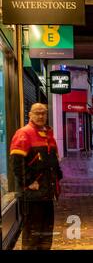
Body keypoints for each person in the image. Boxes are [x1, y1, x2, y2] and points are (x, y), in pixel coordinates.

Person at [10, 103, 63, 250]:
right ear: (30, 115)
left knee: (45, 233)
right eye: (37, 113)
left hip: (47, 193)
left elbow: (53, 161)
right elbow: (16, 163)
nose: (40, 116)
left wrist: (58, 178)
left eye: (43, 113)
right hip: (31, 195)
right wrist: (29, 182)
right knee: (32, 235)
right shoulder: (24, 134)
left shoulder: (48, 135)